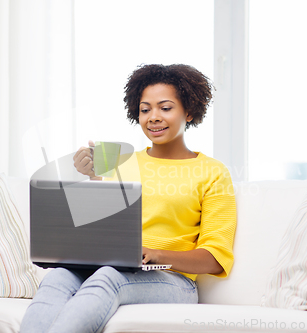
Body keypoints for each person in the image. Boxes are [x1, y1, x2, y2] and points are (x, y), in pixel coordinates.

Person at [20, 64, 236, 333]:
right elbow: (101, 229)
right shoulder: (119, 162)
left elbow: (214, 258)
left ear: (189, 111)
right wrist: (90, 178)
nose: (153, 117)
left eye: (165, 108)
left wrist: (156, 254)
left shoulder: (213, 171)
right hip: (110, 267)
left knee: (108, 278)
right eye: (145, 109)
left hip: (173, 280)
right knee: (58, 277)